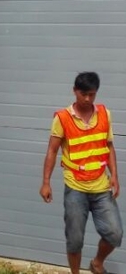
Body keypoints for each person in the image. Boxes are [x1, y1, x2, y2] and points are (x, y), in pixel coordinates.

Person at [40, 72, 122, 274]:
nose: (87, 99)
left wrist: (116, 178)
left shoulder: (105, 114)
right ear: (74, 91)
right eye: (83, 94)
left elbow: (109, 147)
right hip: (75, 187)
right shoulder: (62, 118)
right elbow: (52, 150)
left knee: (115, 234)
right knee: (75, 240)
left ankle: (97, 263)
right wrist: (46, 182)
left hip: (101, 186)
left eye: (92, 94)